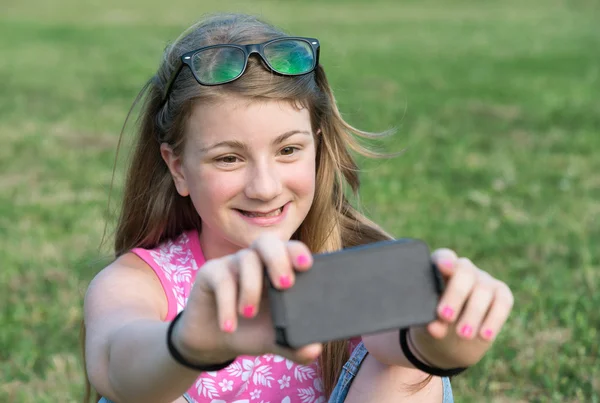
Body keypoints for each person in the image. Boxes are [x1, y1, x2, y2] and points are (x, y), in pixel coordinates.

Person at [82, 12, 514, 403]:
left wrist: (449, 334)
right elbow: (116, 366)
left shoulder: (347, 267)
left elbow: (408, 343)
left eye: (288, 150)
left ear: (317, 147)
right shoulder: (143, 282)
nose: (265, 187)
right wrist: (190, 342)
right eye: (229, 158)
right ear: (177, 167)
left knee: (406, 371)